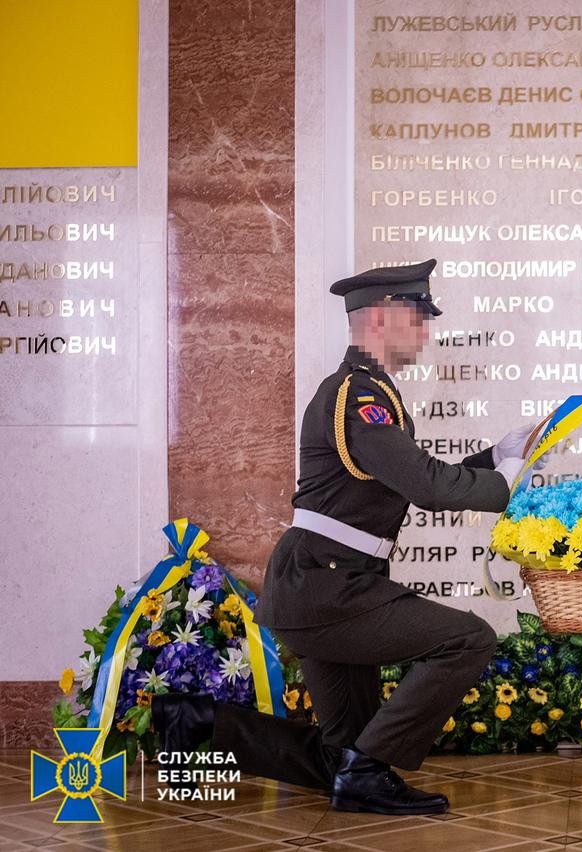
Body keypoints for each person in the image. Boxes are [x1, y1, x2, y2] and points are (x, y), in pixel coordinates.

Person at [154, 260, 541, 815]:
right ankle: (365, 774)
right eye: (418, 317)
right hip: (328, 587)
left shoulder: (368, 393)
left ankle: (194, 724)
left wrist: (497, 457)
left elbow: (408, 476)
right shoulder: (357, 397)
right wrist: (504, 481)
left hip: (330, 583)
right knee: (468, 640)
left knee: (343, 755)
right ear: (382, 318)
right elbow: (427, 486)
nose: (426, 331)